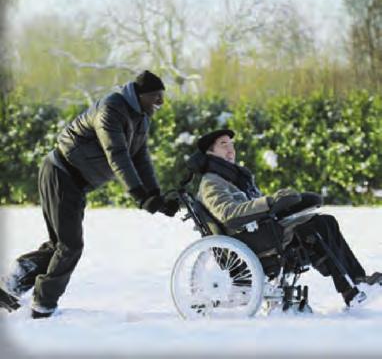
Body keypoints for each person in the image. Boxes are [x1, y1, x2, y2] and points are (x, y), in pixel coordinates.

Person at [0, 70, 179, 318]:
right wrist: (139, 195)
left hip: (75, 182)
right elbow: (117, 153)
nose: (161, 102)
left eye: (162, 96)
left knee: (60, 245)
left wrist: (156, 196)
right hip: (60, 173)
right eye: (156, 96)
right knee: (70, 245)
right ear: (139, 95)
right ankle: (43, 305)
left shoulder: (141, 118)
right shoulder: (111, 109)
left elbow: (140, 159)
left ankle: (14, 280)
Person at [192, 129, 381, 309]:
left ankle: (356, 283)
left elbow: (257, 209)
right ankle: (351, 290)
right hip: (250, 241)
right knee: (314, 227)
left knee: (326, 221)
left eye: (232, 144)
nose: (231, 149)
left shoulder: (236, 179)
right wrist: (270, 202)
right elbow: (228, 214)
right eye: (223, 144)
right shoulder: (211, 182)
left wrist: (292, 203)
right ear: (210, 153)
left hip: (261, 233)